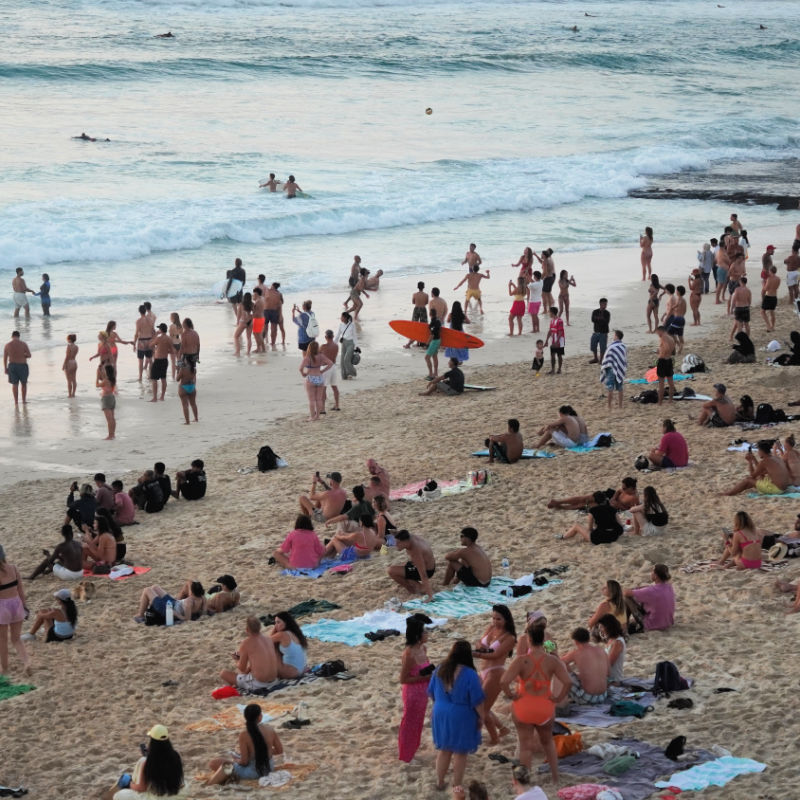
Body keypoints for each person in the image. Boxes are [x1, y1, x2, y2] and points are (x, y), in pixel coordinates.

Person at [500, 624, 571, 783]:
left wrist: (512, 695)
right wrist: (558, 698)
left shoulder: (522, 656)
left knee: (525, 746)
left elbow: (504, 681)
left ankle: (525, 781)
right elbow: (566, 679)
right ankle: (555, 777)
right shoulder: (549, 640)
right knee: (548, 743)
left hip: (524, 705)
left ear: (529, 637)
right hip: (545, 706)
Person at [427, 640, 486, 798]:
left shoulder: (440, 669)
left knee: (444, 750)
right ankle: (457, 786)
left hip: (440, 711)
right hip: (461, 715)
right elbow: (477, 700)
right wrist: (482, 717)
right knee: (460, 752)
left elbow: (431, 692)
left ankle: (440, 782)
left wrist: (439, 705)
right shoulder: (469, 674)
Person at [205, 704, 284, 785]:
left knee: (216, 764)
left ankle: (209, 785)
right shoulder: (270, 729)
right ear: (260, 717)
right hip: (269, 768)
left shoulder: (244, 734)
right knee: (222, 762)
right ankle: (232, 776)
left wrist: (236, 760)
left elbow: (244, 762)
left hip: (253, 772)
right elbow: (279, 750)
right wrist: (265, 752)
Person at [473, 605, 516, 744]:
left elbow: (495, 654)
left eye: (499, 619)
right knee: (481, 705)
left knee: (482, 709)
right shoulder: (491, 628)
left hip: (495, 672)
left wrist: (478, 653)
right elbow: (478, 642)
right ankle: (502, 729)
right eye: (493, 618)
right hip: (483, 670)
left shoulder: (510, 637)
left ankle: (493, 738)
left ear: (506, 619)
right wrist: (483, 650)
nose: (495, 621)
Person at [109, 724, 184, 800]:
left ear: (152, 741)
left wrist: (129, 784)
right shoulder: (176, 755)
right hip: (175, 795)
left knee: (118, 796)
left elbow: (141, 788)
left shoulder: (147, 762)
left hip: (157, 797)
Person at [398, 615, 433, 763]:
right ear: (418, 635)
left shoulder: (423, 649)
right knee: (409, 723)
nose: (427, 634)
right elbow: (403, 679)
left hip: (423, 692)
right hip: (412, 693)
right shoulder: (409, 654)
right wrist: (424, 678)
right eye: (424, 632)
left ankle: (412, 750)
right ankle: (406, 755)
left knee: (417, 722)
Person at [220, 616, 278, 690]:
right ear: (260, 627)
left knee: (223, 673)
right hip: (274, 681)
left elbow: (242, 668)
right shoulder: (268, 639)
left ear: (247, 629)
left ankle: (237, 686)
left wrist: (237, 659)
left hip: (259, 684)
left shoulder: (246, 643)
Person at [0, 545, 31, 675]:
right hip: (17, 604)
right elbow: (21, 590)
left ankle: (5, 668)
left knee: (2, 640)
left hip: (3, 607)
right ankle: (27, 662)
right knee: (16, 639)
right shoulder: (13, 568)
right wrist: (24, 607)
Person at [722, 439, 792, 496]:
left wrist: (750, 462)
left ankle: (728, 493)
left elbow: (752, 475)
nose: (758, 453)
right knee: (757, 479)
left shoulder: (765, 461)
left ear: (761, 451)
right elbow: (761, 471)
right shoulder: (775, 458)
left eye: (758, 450)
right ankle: (736, 490)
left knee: (748, 480)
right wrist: (754, 459)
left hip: (777, 489)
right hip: (783, 487)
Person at [560, 627, 609, 704]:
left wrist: (571, 672)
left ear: (575, 641)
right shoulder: (601, 650)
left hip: (587, 698)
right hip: (603, 696)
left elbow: (559, 662)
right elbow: (608, 673)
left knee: (561, 671)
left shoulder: (577, 653)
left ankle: (560, 701)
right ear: (588, 639)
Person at [624, 563, 675, 632]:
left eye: (652, 572)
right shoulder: (669, 587)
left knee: (626, 598)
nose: (651, 574)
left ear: (656, 576)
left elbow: (626, 593)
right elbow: (648, 589)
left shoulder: (651, 591)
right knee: (643, 600)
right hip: (667, 622)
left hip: (652, 625)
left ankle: (624, 624)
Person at [388, 530, 436, 601]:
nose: (395, 545)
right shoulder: (408, 537)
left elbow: (423, 574)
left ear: (405, 541)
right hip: (426, 564)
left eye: (398, 543)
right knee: (401, 568)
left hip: (427, 570)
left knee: (391, 571)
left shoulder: (415, 550)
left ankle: (415, 589)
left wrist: (430, 596)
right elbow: (396, 532)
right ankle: (414, 583)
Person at [548, 477, 639, 512]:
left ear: (631, 488)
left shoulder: (634, 498)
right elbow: (618, 491)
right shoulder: (624, 489)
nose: (622, 489)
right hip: (609, 497)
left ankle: (562, 507)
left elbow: (631, 510)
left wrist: (619, 506)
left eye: (624, 488)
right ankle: (558, 501)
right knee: (584, 498)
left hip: (611, 505)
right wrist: (614, 498)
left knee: (584, 505)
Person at [134, 582, 205, 624]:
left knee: (147, 590)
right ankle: (148, 606)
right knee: (155, 587)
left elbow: (186, 619)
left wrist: (175, 614)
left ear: (192, 592)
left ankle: (141, 615)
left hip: (169, 609)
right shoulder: (202, 598)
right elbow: (204, 612)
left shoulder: (189, 602)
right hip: (174, 602)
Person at [299, 340, 333, 421]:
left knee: (311, 400)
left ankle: (312, 417)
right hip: (320, 378)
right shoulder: (321, 356)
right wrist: (323, 371)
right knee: (318, 399)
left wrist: (304, 374)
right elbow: (330, 363)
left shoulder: (307, 358)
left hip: (310, 378)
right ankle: (317, 416)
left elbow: (300, 368)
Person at [268, 611, 308, 678]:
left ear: (286, 622)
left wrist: (275, 629)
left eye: (278, 622)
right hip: (302, 670)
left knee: (273, 647)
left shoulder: (282, 635)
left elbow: (265, 642)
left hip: (291, 673)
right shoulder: (296, 633)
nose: (276, 625)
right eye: (275, 623)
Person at [600, 329, 627, 409]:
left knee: (610, 387)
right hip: (619, 368)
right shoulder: (623, 346)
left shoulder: (611, 346)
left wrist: (604, 365)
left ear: (616, 336)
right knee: (620, 387)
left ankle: (609, 406)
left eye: (614, 335)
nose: (613, 336)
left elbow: (607, 357)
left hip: (611, 368)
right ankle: (620, 406)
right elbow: (623, 359)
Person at [4, 330, 31, 406]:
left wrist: (5, 368)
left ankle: (16, 402)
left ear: (12, 336)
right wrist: (23, 355)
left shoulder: (7, 345)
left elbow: (5, 358)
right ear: (19, 336)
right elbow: (29, 355)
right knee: (24, 384)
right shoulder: (23, 344)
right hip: (22, 365)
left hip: (12, 366)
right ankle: (23, 401)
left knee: (15, 384)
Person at [597, 614, 626, 685]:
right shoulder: (611, 640)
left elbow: (609, 664)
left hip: (613, 681)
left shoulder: (617, 643)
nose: (600, 630)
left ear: (608, 627)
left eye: (602, 627)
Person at [149, 324, 171, 402]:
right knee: (163, 378)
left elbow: (150, 344)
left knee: (154, 379)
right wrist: (164, 350)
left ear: (161, 330)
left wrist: (155, 335)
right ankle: (162, 397)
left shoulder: (158, 338)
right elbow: (172, 351)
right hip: (165, 360)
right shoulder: (169, 339)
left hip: (158, 360)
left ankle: (155, 397)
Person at [320, 329, 340, 411]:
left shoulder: (323, 346)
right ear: (333, 336)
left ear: (325, 337)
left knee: (323, 388)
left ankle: (323, 409)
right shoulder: (336, 346)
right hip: (333, 367)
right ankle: (337, 405)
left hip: (326, 368)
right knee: (334, 387)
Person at [655, 325, 675, 404]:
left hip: (663, 361)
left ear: (661, 331)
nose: (657, 334)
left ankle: (660, 402)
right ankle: (670, 400)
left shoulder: (663, 337)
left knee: (661, 383)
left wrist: (660, 352)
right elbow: (673, 351)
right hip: (669, 360)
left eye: (657, 332)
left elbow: (666, 348)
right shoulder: (671, 338)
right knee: (671, 382)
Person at [336, 311, 358, 380]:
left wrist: (356, 346)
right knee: (342, 360)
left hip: (351, 344)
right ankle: (345, 375)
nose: (341, 318)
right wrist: (333, 343)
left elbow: (354, 336)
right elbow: (338, 335)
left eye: (342, 317)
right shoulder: (341, 325)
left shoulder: (352, 325)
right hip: (344, 343)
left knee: (346, 359)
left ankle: (353, 373)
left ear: (345, 318)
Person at [729, 276, 752, 340]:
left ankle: (741, 340)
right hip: (746, 308)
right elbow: (749, 301)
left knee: (739, 326)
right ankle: (747, 338)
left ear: (741, 282)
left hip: (739, 308)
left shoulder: (737, 290)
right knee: (747, 324)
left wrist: (731, 309)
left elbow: (734, 300)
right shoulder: (748, 290)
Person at [544, 307, 565, 374]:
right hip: (553, 340)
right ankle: (553, 369)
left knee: (559, 355)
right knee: (552, 354)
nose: (548, 313)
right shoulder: (552, 320)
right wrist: (546, 340)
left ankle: (559, 369)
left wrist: (557, 341)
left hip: (559, 340)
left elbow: (560, 332)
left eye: (549, 312)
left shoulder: (559, 321)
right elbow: (550, 331)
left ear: (552, 312)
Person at [589, 298, 610, 362]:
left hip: (604, 333)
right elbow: (593, 320)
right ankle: (595, 358)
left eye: (606, 304)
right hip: (596, 332)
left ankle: (601, 359)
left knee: (603, 347)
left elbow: (606, 322)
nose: (605, 305)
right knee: (593, 346)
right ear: (600, 304)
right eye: (604, 304)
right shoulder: (595, 311)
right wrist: (600, 319)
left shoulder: (607, 313)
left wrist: (598, 319)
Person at [425, 308, 442, 380]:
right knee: (434, 357)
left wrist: (427, 343)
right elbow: (439, 331)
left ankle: (431, 374)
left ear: (430, 314)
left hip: (434, 341)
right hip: (438, 340)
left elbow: (432, 335)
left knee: (427, 357)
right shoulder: (438, 321)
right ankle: (435, 374)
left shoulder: (433, 323)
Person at [761, 265, 780, 332]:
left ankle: (768, 326)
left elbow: (765, 289)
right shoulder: (778, 278)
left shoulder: (769, 279)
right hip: (774, 296)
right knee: (772, 312)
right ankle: (773, 326)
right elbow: (776, 287)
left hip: (768, 296)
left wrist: (763, 283)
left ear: (770, 271)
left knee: (763, 312)